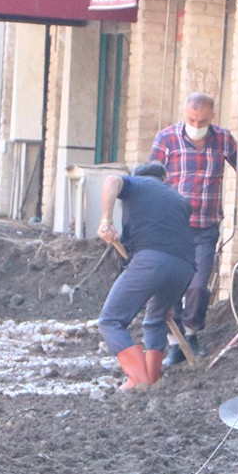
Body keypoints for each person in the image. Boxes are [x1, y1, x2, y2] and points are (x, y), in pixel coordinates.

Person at [149, 92, 238, 363]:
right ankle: (175, 343)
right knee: (172, 282)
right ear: (184, 115)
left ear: (212, 117)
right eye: (192, 120)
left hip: (205, 227)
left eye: (202, 120)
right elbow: (151, 180)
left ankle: (192, 333)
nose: (196, 125)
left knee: (197, 285)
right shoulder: (167, 140)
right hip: (172, 227)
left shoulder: (222, 139)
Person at [96, 163, 197, 390]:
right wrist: (169, 300)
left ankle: (140, 382)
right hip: (185, 268)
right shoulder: (179, 200)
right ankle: (151, 378)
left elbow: (112, 180)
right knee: (156, 319)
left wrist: (106, 221)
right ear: (164, 179)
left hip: (151, 262)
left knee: (111, 320)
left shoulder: (135, 184)